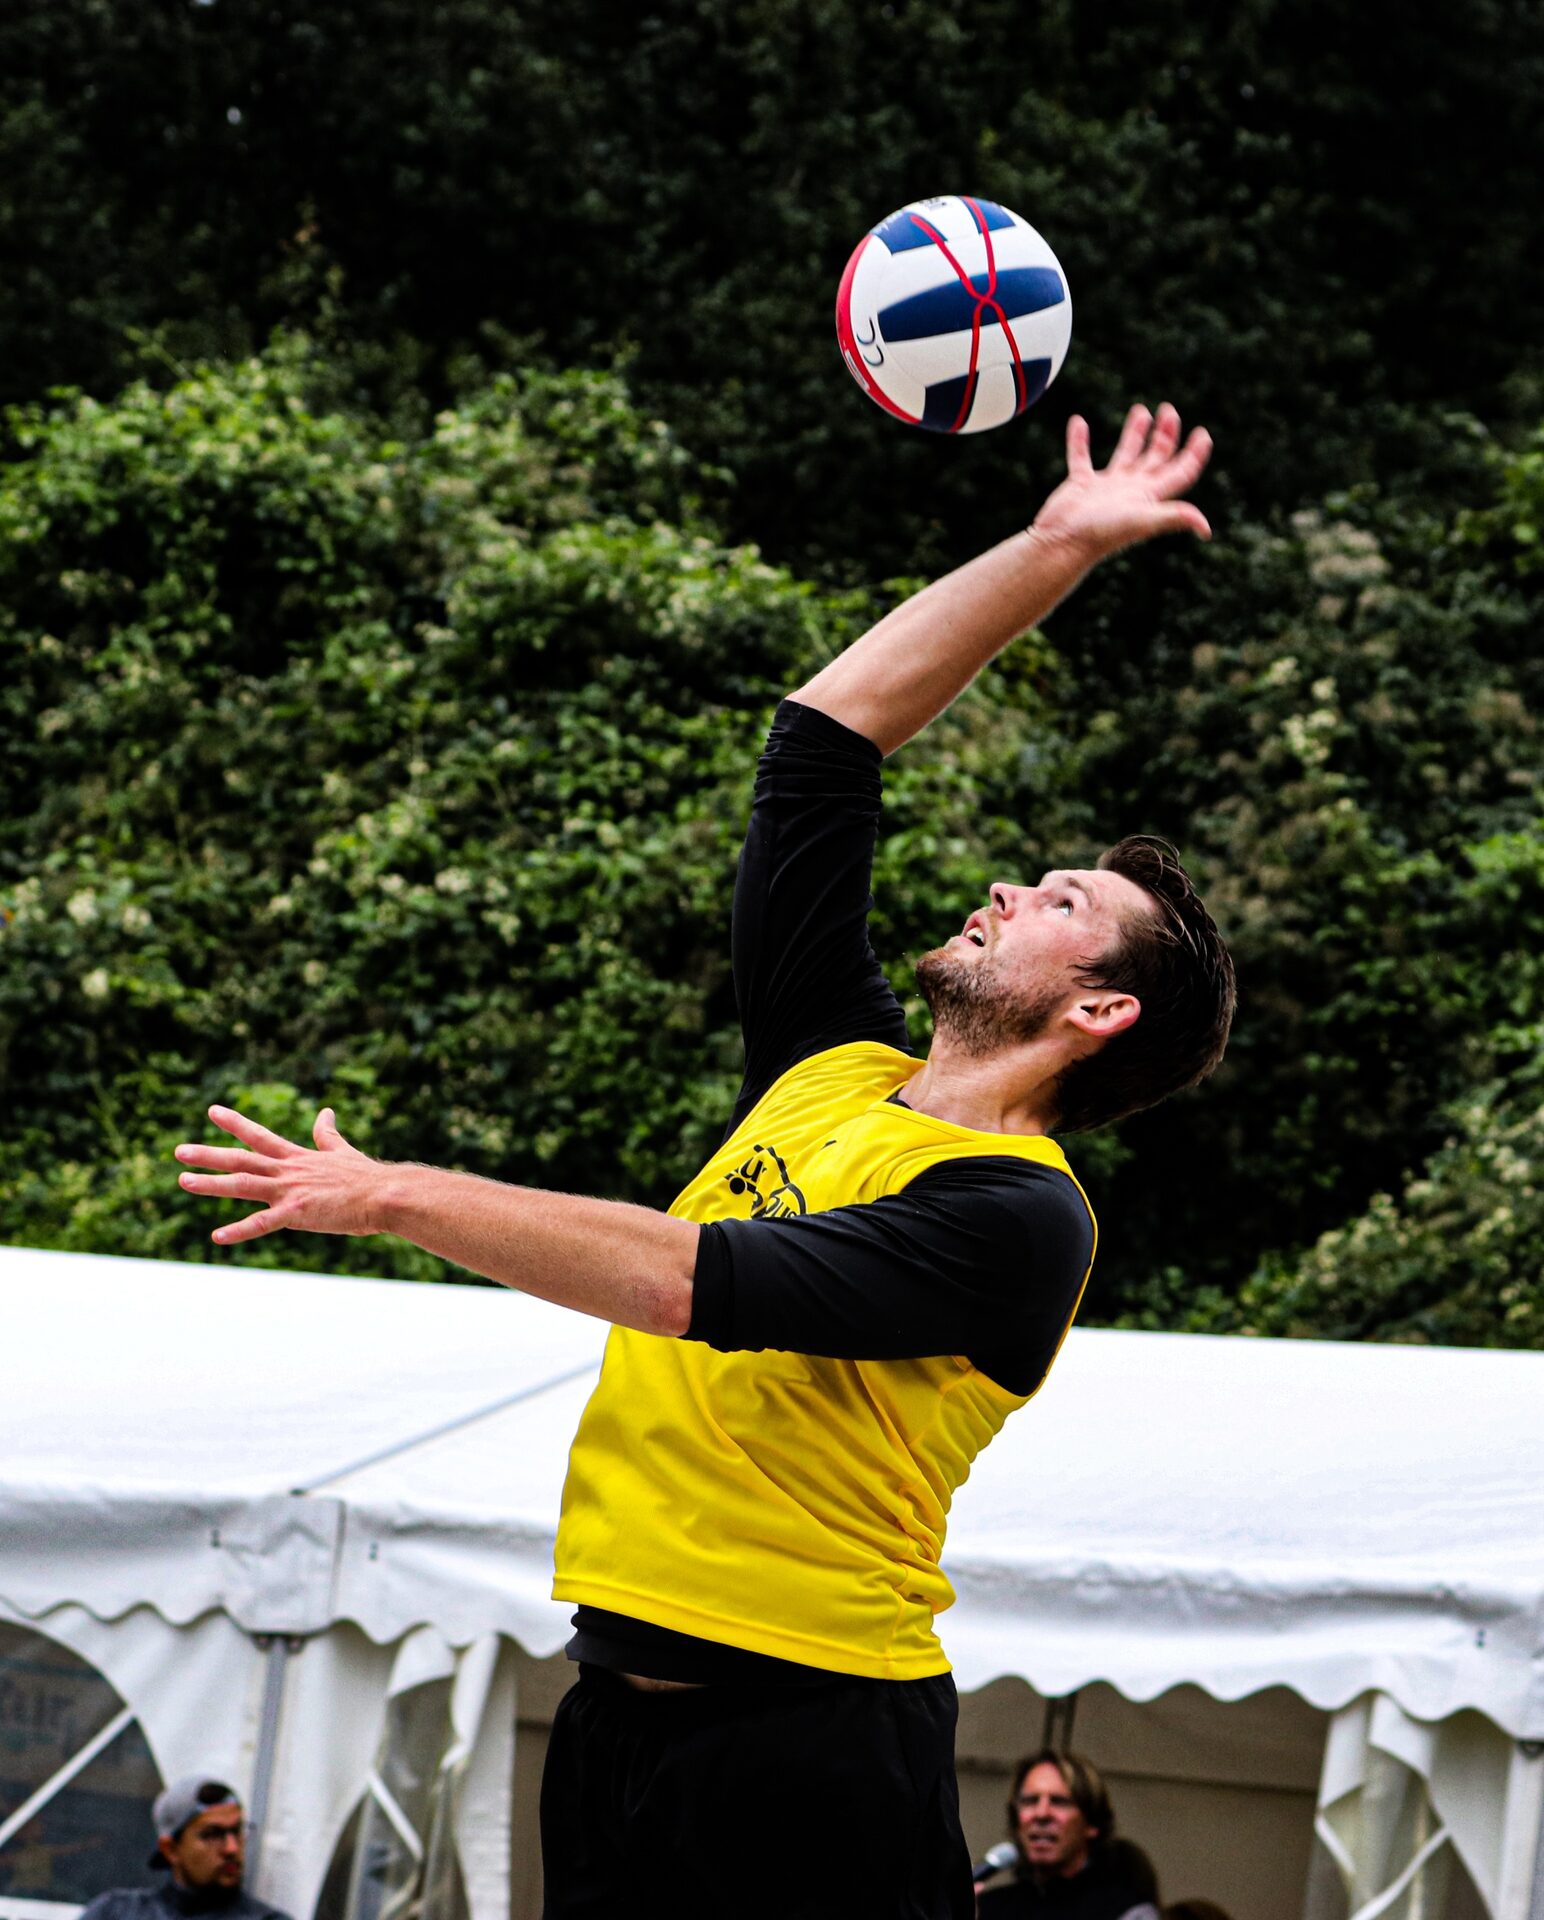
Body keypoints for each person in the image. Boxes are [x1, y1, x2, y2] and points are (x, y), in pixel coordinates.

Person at [173, 402, 1233, 1919]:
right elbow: (825, 741)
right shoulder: (830, 1067)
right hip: (615, 1712)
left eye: (1060, 901)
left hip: (811, 1737)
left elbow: (688, 1282)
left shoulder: (1018, 1216)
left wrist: (392, 1194)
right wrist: (1052, 546)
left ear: (1098, 1011)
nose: (1009, 887)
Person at [977, 1750, 1160, 1918]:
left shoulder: (1125, 1911)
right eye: (1030, 1801)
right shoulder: (987, 1908)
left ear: (1092, 1823)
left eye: (1059, 1802)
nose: (1041, 1814)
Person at [79, 1778, 292, 1920]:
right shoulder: (115, 1912)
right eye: (212, 1834)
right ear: (170, 1849)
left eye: (237, 1831)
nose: (232, 1848)